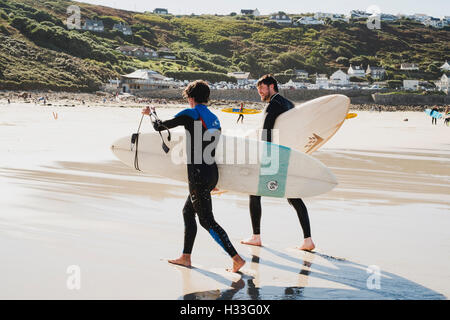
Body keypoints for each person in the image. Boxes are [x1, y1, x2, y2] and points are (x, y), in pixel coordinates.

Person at [142, 80, 245, 272]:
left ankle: (236, 258)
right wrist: (212, 180)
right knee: (188, 212)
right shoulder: (215, 119)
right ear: (206, 97)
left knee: (206, 220)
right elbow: (214, 149)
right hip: (211, 172)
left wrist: (152, 114)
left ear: (190, 98)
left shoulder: (191, 113)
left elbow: (160, 127)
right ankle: (185, 257)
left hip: (198, 174)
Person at [241, 75, 315, 251]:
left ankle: (256, 237)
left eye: (262, 88)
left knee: (254, 191)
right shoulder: (289, 105)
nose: (259, 92)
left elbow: (266, 133)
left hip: (273, 155)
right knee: (294, 196)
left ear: (271, 86)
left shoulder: (273, 105)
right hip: (289, 155)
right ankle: (308, 240)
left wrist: (261, 157)